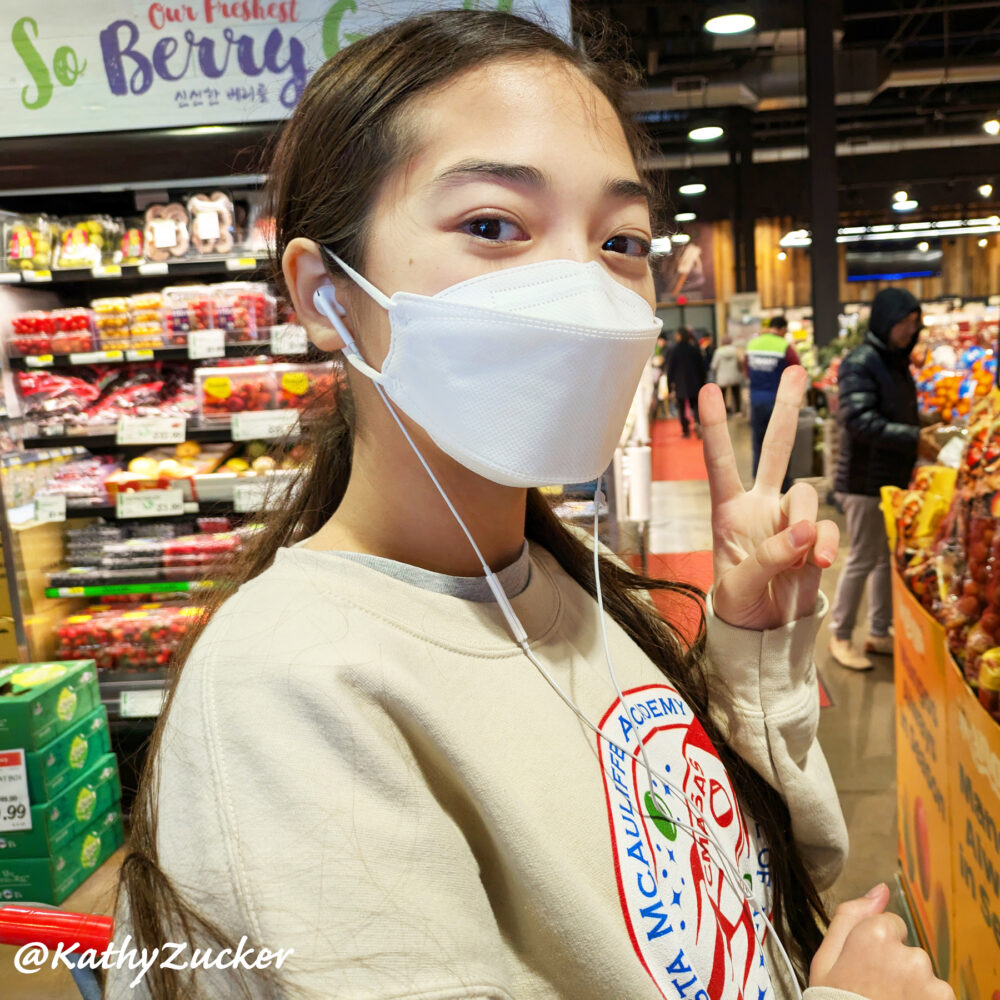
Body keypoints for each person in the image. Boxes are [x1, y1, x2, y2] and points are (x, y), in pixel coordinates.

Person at [109, 12, 953, 1000]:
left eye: (622, 239)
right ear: (328, 297)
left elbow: (720, 912)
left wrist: (748, 653)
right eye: (492, 226)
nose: (579, 286)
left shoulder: (559, 586)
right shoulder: (289, 688)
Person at [829, 288, 942, 670]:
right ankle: (840, 636)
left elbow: (892, 411)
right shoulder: (862, 361)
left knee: (883, 560)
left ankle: (879, 631)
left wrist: (923, 424)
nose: (909, 331)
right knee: (863, 558)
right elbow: (859, 421)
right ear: (885, 319)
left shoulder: (894, 361)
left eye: (914, 324)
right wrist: (915, 437)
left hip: (892, 476)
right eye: (904, 323)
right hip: (864, 480)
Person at [746, 315, 800, 491]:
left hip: (756, 400)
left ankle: (758, 479)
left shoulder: (753, 344)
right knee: (781, 441)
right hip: (778, 401)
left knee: (758, 441)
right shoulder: (784, 347)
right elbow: (796, 370)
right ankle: (782, 482)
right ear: (783, 329)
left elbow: (746, 370)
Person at [666, 326, 706, 437]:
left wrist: (669, 386)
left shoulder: (674, 350)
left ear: (679, 336)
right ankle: (698, 424)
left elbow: (670, 369)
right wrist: (703, 383)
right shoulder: (694, 349)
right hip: (695, 383)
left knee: (681, 407)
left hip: (680, 384)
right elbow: (701, 367)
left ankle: (685, 430)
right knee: (695, 405)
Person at [710, 333, 744, 414]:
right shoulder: (735, 350)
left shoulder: (718, 351)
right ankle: (738, 410)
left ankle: (724, 411)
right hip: (735, 376)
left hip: (722, 377)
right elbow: (741, 362)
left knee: (722, 395)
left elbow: (713, 366)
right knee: (736, 394)